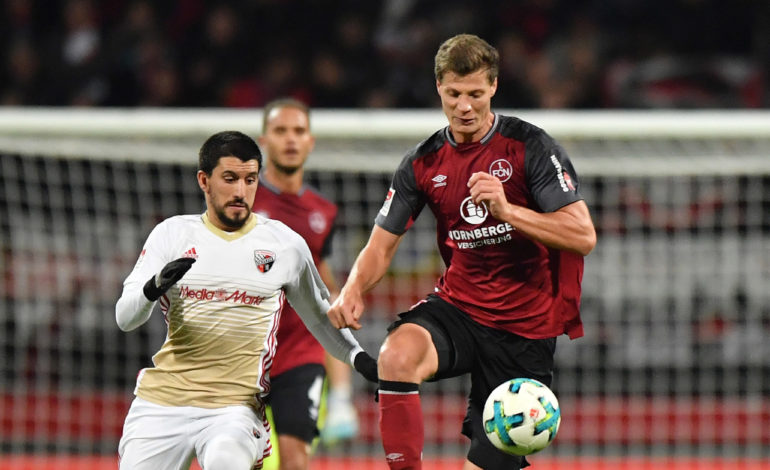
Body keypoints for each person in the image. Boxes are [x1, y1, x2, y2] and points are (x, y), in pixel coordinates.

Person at [328, 34, 597, 470]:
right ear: (439, 88)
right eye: (454, 94)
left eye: (475, 93)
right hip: (461, 308)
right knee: (396, 356)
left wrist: (508, 210)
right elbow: (381, 243)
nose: (464, 106)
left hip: (524, 330)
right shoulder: (422, 162)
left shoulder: (531, 147)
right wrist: (353, 287)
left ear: (493, 87)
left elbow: (582, 234)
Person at [115, 130, 377, 470]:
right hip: (162, 402)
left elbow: (319, 319)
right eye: (229, 179)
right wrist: (153, 288)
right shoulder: (172, 234)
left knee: (227, 460)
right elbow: (125, 317)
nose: (240, 191)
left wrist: (360, 360)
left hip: (234, 410)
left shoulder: (285, 245)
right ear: (204, 181)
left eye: (250, 179)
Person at [252, 98, 360, 470]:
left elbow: (327, 296)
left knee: (295, 461)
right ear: (263, 141)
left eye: (298, 131)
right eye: (280, 131)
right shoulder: (242, 203)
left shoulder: (322, 212)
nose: (290, 140)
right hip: (245, 355)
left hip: (300, 354)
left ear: (310, 141)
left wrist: (343, 391)